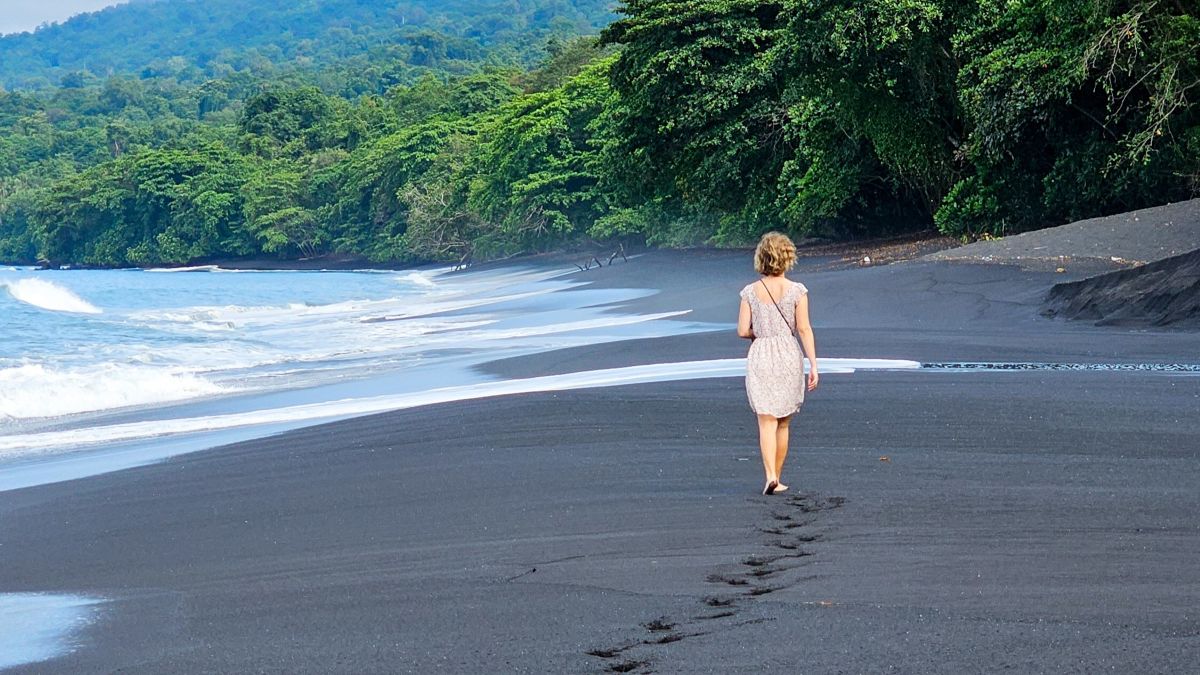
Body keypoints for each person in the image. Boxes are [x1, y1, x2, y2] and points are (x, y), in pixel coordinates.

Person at [736, 232, 819, 495]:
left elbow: (742, 330)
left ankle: (769, 476)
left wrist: (760, 333)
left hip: (761, 353)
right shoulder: (797, 291)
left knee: (766, 420)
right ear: (787, 257)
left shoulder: (750, 292)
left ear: (761, 258)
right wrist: (813, 365)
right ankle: (778, 478)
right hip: (787, 353)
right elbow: (804, 329)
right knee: (783, 421)